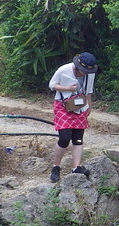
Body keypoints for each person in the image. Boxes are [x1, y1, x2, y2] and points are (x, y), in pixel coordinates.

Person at [48, 52, 98, 182]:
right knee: (64, 137)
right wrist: (68, 88)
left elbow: (89, 91)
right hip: (63, 105)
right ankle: (56, 166)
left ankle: (76, 167)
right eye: (83, 71)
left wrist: (89, 107)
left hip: (80, 105)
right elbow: (52, 85)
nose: (85, 73)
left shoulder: (90, 74)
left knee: (78, 138)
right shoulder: (64, 70)